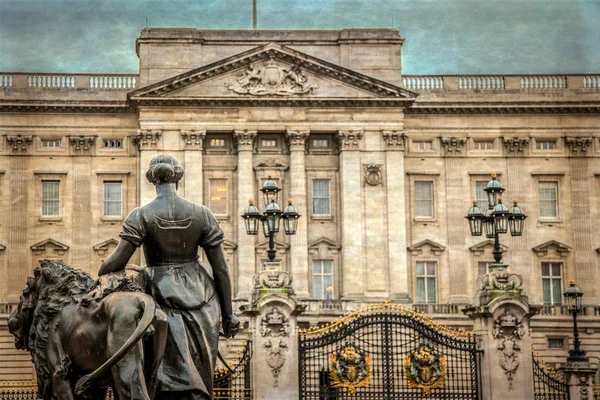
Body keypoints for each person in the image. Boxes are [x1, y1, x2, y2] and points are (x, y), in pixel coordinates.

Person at [98, 154, 240, 400]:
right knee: (200, 374)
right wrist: (228, 315)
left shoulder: (141, 215)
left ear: (152, 179)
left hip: (159, 294)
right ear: (178, 178)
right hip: (202, 300)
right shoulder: (203, 214)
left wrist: (101, 270)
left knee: (161, 374)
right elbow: (221, 270)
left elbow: (118, 260)